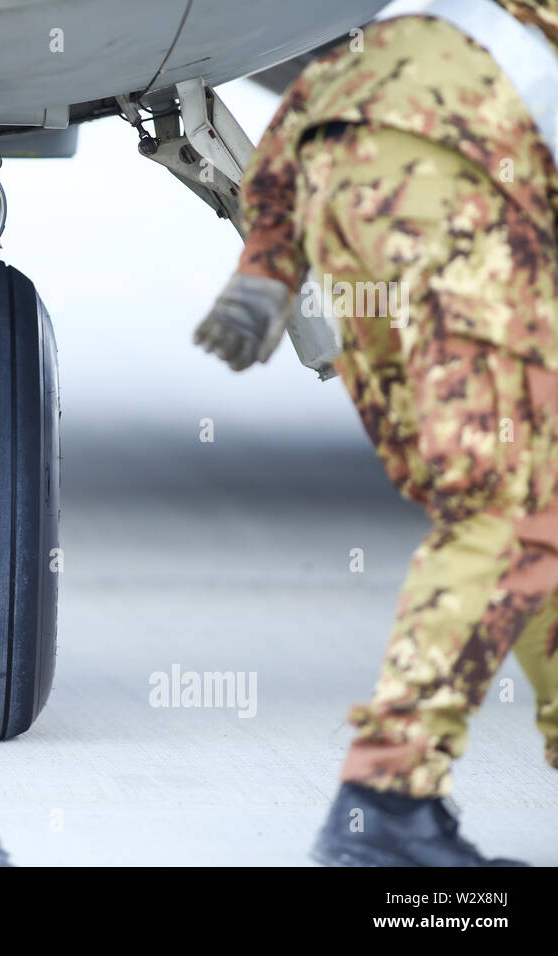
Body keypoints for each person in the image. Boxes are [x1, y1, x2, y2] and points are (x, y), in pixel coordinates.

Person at [194, 0, 558, 865]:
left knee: (530, 504)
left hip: (338, 166)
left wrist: (270, 258)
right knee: (504, 506)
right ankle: (387, 804)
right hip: (452, 175)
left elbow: (325, 96)